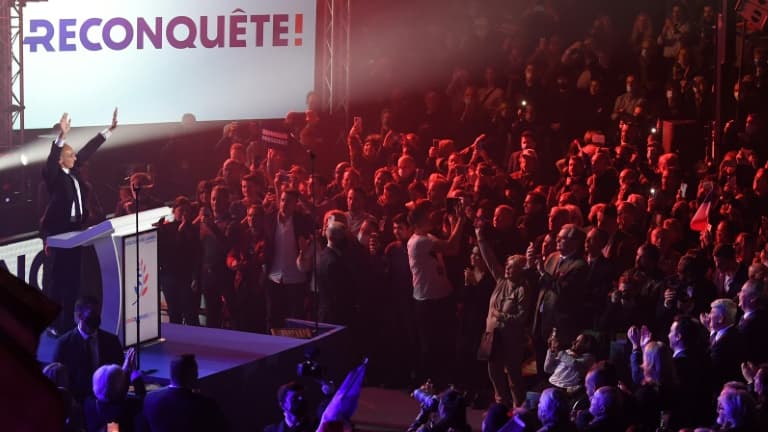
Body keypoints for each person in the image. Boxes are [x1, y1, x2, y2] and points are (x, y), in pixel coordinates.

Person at [41, 109, 118, 334]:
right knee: (57, 282)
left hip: (77, 232)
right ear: (61, 159)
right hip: (59, 233)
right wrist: (60, 138)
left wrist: (108, 131)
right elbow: (49, 163)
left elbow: (88, 150)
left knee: (73, 282)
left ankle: (68, 323)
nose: (76, 157)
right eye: (70, 154)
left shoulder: (73, 171)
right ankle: (54, 324)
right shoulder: (54, 177)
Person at [476, 214, 532, 407]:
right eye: (508, 266)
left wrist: (501, 316)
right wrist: (480, 238)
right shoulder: (501, 281)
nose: (508, 270)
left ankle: (519, 409)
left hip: (510, 338)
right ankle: (501, 404)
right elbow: (490, 260)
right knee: (494, 371)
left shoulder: (522, 290)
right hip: (493, 336)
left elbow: (521, 317)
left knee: (513, 375)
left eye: (513, 268)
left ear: (521, 270)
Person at [52, 295, 127, 403]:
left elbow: (120, 373)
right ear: (80, 316)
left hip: (106, 403)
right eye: (92, 313)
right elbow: (57, 377)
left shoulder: (112, 341)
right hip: (77, 404)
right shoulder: (64, 344)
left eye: (98, 313)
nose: (97, 317)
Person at [143, 354, 229, 432]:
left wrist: (135, 376)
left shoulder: (150, 400)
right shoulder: (205, 405)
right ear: (193, 376)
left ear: (172, 374)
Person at [83, 358, 146, 432]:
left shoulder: (88, 402)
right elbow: (143, 399)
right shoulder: (126, 408)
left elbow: (114, 390)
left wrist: (123, 372)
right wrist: (134, 372)